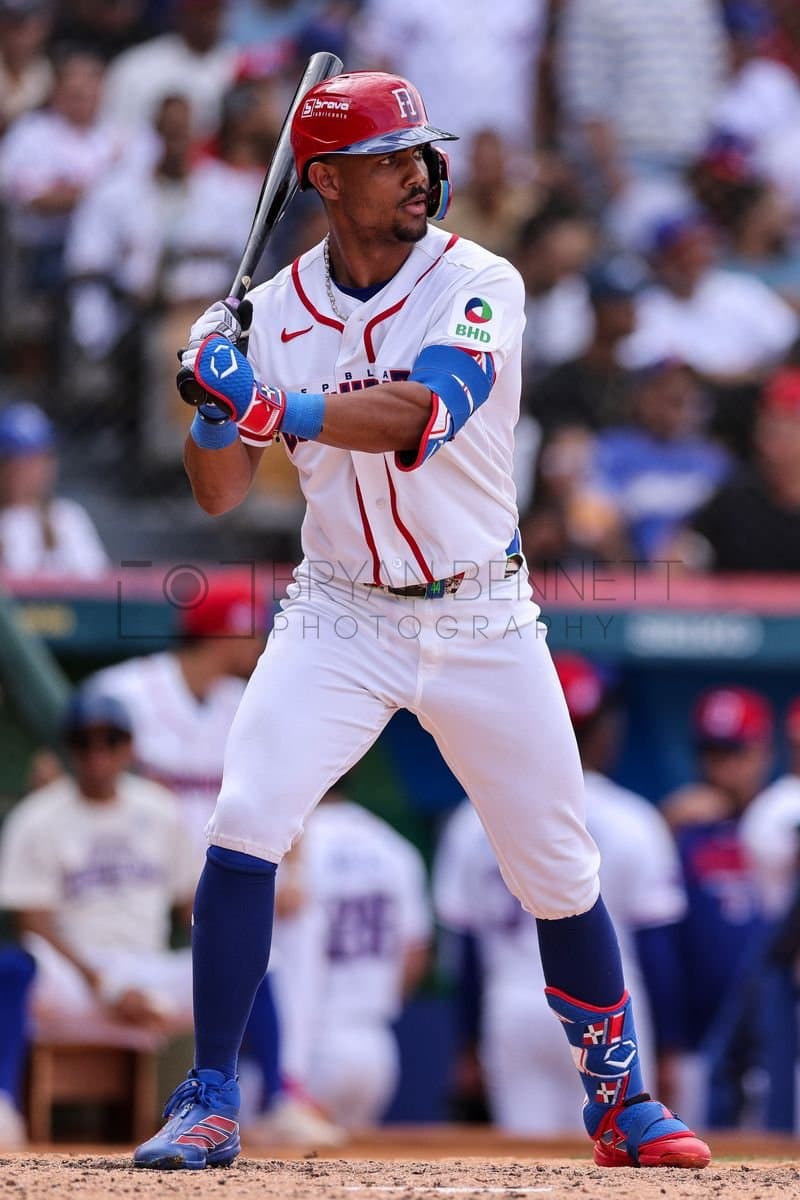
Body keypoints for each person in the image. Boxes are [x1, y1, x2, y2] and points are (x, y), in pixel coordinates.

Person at [133, 69, 711, 1171]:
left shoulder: (477, 277)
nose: (418, 172)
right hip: (338, 610)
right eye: (390, 159)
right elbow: (217, 490)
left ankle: (620, 1102)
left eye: (418, 153)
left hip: (480, 607)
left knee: (556, 862)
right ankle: (209, 1096)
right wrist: (210, 397)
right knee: (246, 816)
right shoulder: (276, 310)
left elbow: (424, 415)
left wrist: (260, 401)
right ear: (326, 182)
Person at [433, 654, 687, 1134]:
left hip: (511, 1003)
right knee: (615, 1149)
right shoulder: (634, 819)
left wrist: (465, 1044)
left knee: (528, 1164)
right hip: (610, 1009)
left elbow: (464, 953)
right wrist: (673, 1046)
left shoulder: (471, 819)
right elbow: (657, 953)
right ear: (603, 732)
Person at [0, 689, 198, 1034]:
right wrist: (106, 986)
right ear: (68, 749)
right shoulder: (37, 816)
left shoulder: (160, 808)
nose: (98, 755)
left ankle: (271, 1086)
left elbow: (192, 906)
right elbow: (33, 924)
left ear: (130, 746)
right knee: (15, 966)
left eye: (110, 741)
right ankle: (5, 1088)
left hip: (150, 969)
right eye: (84, 743)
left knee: (259, 965)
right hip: (75, 977)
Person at [287, 786, 432, 1129]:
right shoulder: (393, 846)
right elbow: (415, 953)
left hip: (308, 1042)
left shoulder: (294, 846)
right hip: (374, 1042)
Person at [661, 685, 773, 1127]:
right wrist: (662, 826)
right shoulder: (684, 828)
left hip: (776, 1031)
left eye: (737, 751)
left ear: (764, 751)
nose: (724, 766)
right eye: (713, 752)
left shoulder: (784, 820)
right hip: (697, 1034)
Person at [672, 367, 800, 571]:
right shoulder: (733, 500)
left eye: (788, 428)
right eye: (769, 427)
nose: (773, 441)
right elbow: (679, 557)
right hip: (734, 602)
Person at [0, 400, 109, 575]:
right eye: (15, 460)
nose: (26, 471)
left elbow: (95, 586)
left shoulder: (66, 518)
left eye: (35, 460)